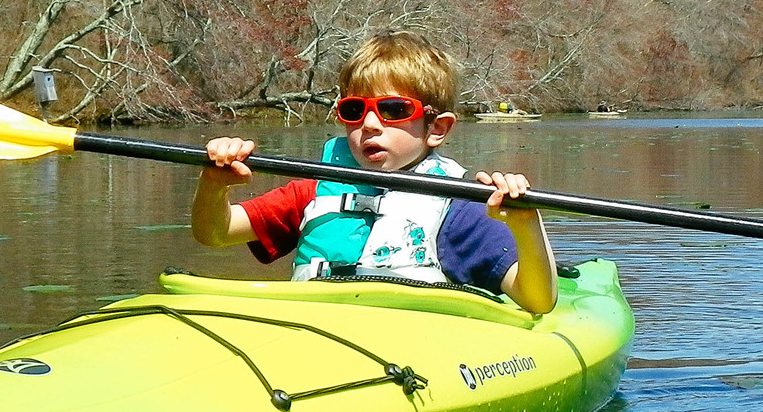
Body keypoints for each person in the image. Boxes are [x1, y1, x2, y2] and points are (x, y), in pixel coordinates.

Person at [191, 32, 558, 314]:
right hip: (311, 332)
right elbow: (214, 233)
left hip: (407, 353)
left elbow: (538, 300)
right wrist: (214, 186)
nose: (368, 124)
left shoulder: (461, 207)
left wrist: (526, 224)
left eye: (393, 109)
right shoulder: (313, 191)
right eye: (353, 109)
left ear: (438, 128)